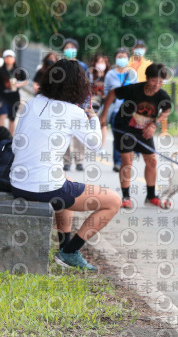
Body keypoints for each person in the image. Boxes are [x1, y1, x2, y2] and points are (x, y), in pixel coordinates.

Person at [9, 59, 121, 270]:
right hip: (42, 188)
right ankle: (71, 251)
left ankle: (64, 246)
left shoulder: (31, 103)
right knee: (113, 201)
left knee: (65, 180)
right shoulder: (73, 112)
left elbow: (16, 146)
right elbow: (96, 144)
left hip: (17, 182)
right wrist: (93, 117)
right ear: (79, 86)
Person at [99, 63, 172, 208]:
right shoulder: (134, 90)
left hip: (144, 130)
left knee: (152, 161)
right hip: (124, 127)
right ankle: (126, 197)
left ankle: (151, 196)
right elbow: (113, 93)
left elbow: (167, 110)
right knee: (127, 161)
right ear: (146, 78)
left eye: (160, 82)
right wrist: (104, 114)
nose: (157, 84)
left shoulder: (162, 95)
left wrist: (155, 124)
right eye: (153, 80)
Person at [104, 48, 137, 172]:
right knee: (117, 136)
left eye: (124, 56)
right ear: (115, 58)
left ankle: (127, 161)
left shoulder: (133, 73)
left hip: (129, 111)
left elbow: (136, 91)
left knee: (128, 136)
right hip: (114, 110)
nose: (122, 59)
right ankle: (117, 162)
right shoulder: (110, 75)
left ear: (128, 59)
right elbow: (107, 92)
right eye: (119, 56)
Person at [61, 38, 88, 171]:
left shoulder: (82, 66)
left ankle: (79, 161)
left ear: (76, 50)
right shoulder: (60, 66)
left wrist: (86, 104)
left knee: (78, 134)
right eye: (67, 47)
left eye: (72, 47)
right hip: (63, 103)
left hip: (79, 103)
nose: (69, 50)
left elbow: (88, 85)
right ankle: (66, 161)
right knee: (64, 132)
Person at [0, 50, 28, 134]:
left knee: (12, 119)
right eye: (7, 57)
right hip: (3, 97)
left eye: (11, 57)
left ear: (14, 59)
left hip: (14, 97)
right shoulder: (1, 71)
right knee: (2, 115)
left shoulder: (18, 71)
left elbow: (25, 80)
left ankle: (10, 139)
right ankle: (1, 137)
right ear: (4, 59)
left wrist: (18, 85)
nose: (9, 59)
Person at [88, 53, 110, 147]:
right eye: (99, 62)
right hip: (93, 102)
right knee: (91, 121)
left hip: (105, 102)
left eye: (102, 62)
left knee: (103, 124)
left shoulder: (109, 76)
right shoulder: (91, 75)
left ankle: (101, 146)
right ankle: (91, 142)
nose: (101, 64)